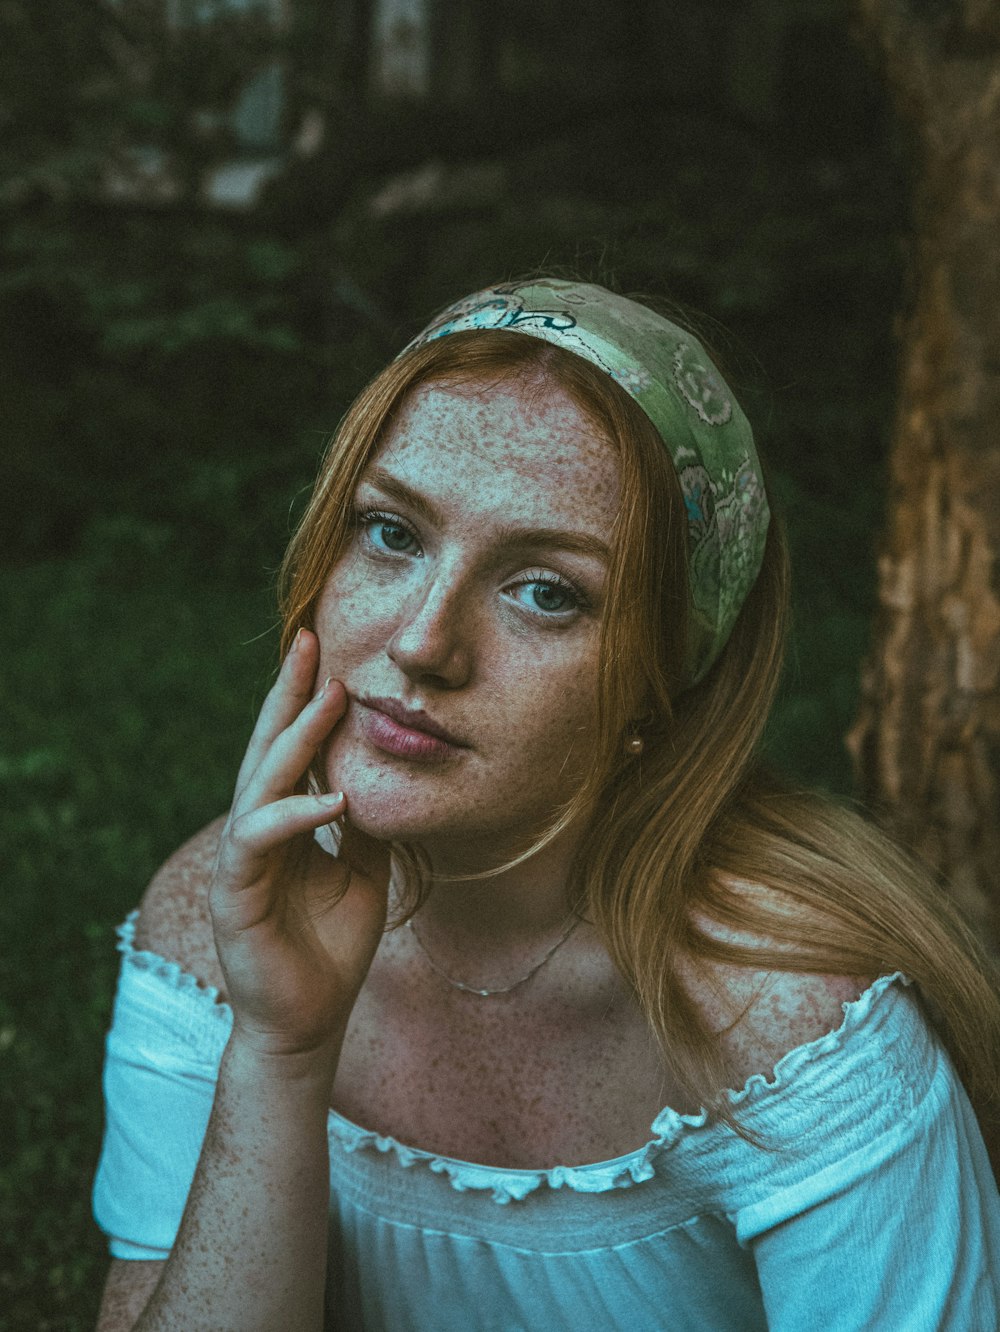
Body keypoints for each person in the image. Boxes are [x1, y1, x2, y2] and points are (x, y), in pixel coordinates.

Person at [92, 278, 1000, 1331]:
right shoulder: (214, 920)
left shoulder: (785, 1023)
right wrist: (279, 1050)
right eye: (390, 533)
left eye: (546, 591)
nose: (424, 641)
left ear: (662, 683)